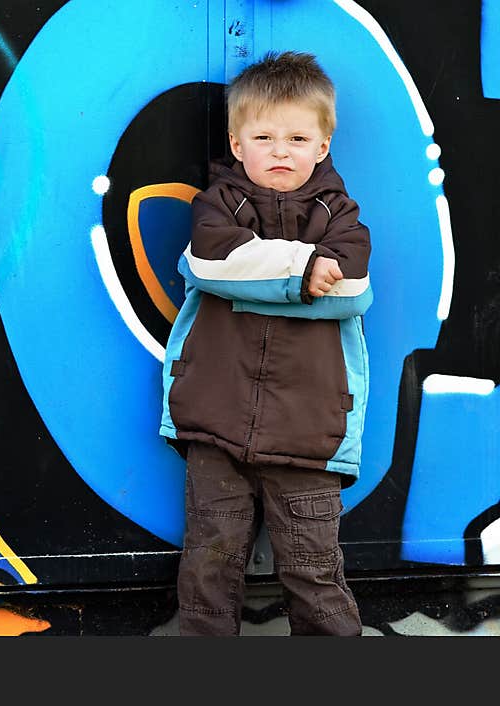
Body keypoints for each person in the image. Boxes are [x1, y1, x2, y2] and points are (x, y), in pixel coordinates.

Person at [159, 50, 372, 636]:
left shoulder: (340, 214)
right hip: (216, 417)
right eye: (265, 136)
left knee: (315, 573)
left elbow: (351, 288)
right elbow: (209, 261)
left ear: (322, 148)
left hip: (310, 426)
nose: (281, 150)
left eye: (298, 138)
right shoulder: (216, 207)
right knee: (207, 567)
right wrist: (304, 271)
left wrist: (261, 278)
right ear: (237, 144)